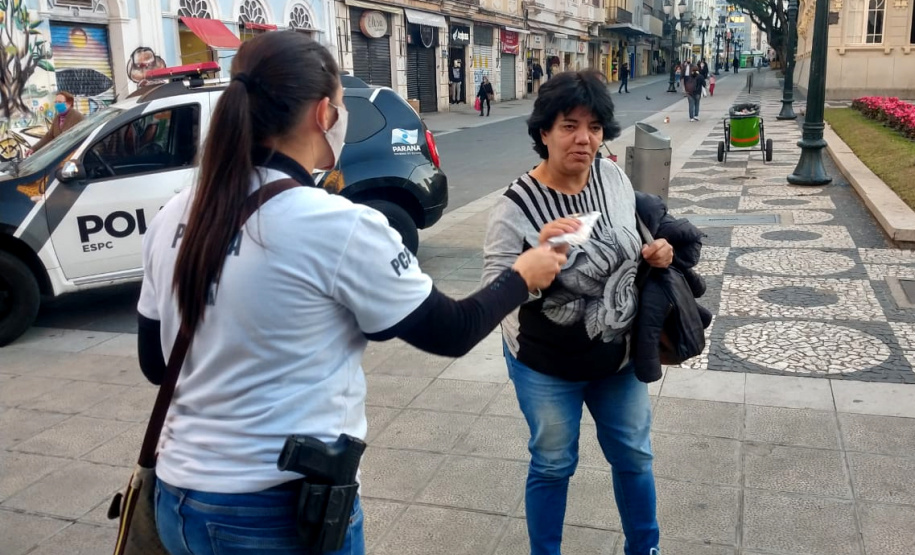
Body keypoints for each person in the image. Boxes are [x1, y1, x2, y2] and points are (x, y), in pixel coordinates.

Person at [139, 32, 566, 555]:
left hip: (177, 502)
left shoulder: (175, 214)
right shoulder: (334, 224)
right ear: (324, 114)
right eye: (341, 106)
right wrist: (524, 274)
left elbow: (155, 363)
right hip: (276, 514)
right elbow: (452, 330)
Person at [482, 69, 699, 555]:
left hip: (616, 361)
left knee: (635, 457)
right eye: (569, 126)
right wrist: (534, 262)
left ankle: (644, 549)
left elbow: (634, 239)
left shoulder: (612, 176)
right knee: (553, 463)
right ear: (544, 132)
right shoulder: (515, 207)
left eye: (595, 127)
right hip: (545, 368)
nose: (584, 139)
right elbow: (491, 297)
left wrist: (658, 250)